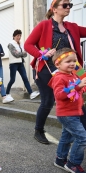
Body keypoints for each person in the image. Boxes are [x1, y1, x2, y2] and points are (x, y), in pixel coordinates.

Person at [24, 0, 86, 144]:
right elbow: (28, 44)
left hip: (71, 69)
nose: (68, 8)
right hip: (47, 68)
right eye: (65, 5)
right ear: (54, 9)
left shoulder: (72, 27)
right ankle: (38, 130)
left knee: (77, 97)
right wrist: (41, 54)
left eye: (69, 5)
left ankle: (78, 130)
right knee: (48, 101)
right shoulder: (44, 25)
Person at [48, 48, 86, 173]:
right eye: (68, 61)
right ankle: (73, 163)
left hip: (75, 112)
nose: (72, 64)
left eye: (74, 61)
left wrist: (82, 88)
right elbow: (59, 95)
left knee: (67, 137)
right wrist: (77, 86)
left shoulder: (73, 75)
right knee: (82, 138)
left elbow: (78, 89)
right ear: (58, 64)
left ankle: (60, 159)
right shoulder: (58, 78)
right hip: (67, 114)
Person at [6, 29, 40, 101]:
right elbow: (16, 54)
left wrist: (22, 53)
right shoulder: (10, 44)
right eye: (17, 35)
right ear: (14, 36)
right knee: (12, 80)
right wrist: (23, 53)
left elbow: (25, 54)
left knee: (25, 78)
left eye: (20, 35)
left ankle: (31, 93)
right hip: (13, 64)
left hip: (20, 63)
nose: (19, 37)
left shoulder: (21, 44)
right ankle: (7, 93)